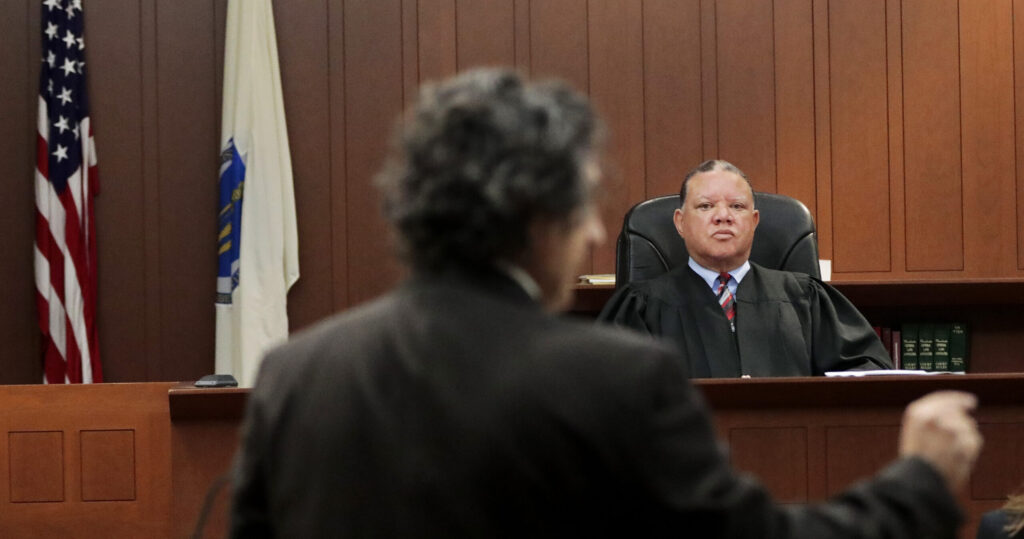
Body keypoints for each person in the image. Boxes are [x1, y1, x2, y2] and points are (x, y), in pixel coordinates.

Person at [230, 69, 981, 538]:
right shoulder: (615, 377)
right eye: (583, 207)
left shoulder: (295, 375)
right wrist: (917, 481)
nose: (595, 229)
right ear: (545, 222)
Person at [599, 159, 893, 377]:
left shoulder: (805, 298)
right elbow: (605, 391)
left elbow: (869, 374)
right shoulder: (641, 307)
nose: (723, 216)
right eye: (705, 206)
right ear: (680, 222)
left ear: (754, 222)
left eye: (737, 207)